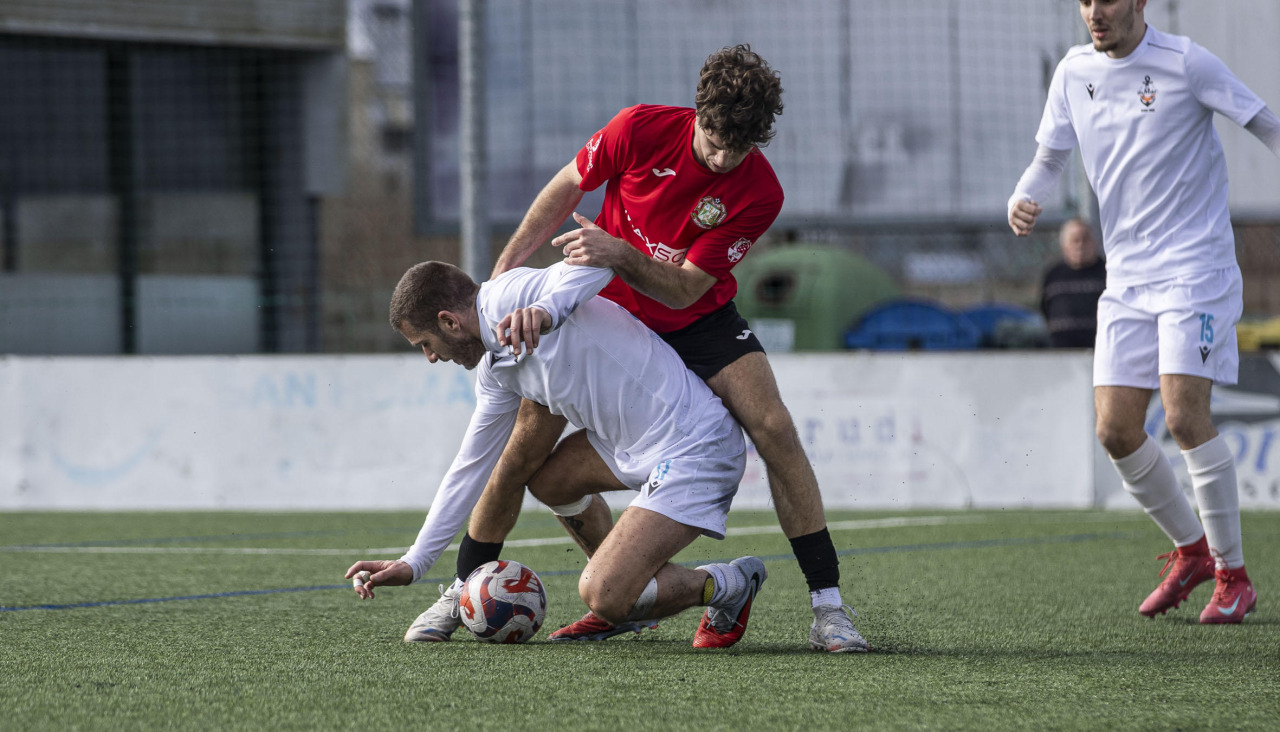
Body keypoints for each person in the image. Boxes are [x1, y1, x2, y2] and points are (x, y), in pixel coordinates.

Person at [444, 44, 866, 653]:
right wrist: (506, 272)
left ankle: (827, 607)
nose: (723, 158)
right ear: (698, 112)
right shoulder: (639, 128)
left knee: (773, 427)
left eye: (739, 147)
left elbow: (686, 287)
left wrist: (619, 253)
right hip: (603, 314)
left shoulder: (760, 191)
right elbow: (567, 186)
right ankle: (479, 589)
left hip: (696, 320)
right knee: (528, 463)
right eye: (715, 140)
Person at [1009, 0, 1280, 623]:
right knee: (1115, 430)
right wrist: (1025, 197)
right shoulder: (1073, 72)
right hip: (1126, 279)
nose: (1093, 13)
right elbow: (1050, 158)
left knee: (1184, 415)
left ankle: (1233, 577)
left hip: (1196, 270)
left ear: (1138, 2)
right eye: (1083, 2)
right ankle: (1192, 552)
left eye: (1106, 0)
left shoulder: (1187, 62)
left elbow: (1263, 121)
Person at [344, 259, 769, 649]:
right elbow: (470, 466)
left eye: (426, 343)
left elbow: (599, 263)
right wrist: (415, 562)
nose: (432, 357)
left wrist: (549, 309)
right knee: (549, 480)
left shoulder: (514, 295)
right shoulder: (495, 369)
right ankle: (627, 590)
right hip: (629, 446)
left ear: (449, 321)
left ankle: (728, 583)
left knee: (603, 593)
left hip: (695, 446)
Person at [1040, 218, 1107, 348]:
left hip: (1100, 349)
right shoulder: (1053, 276)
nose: (1080, 245)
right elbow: (1044, 308)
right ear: (1064, 246)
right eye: (1075, 240)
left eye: (1085, 239)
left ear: (1095, 242)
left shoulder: (1107, 273)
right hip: (1060, 353)